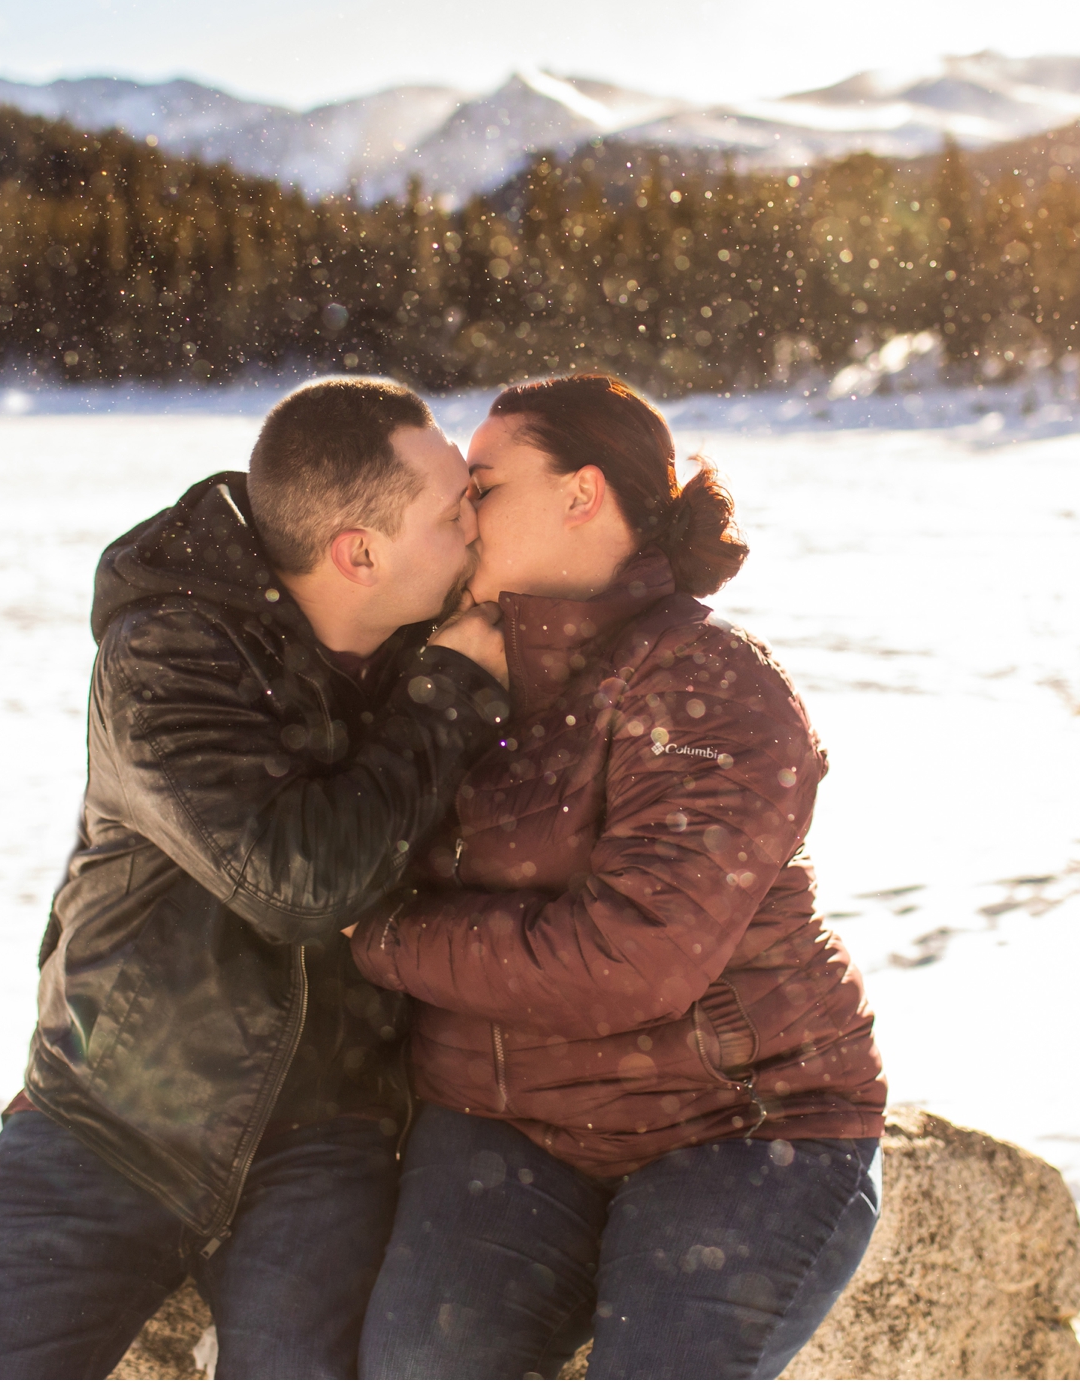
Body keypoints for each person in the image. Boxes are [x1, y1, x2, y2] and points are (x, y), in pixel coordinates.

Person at [0, 377, 512, 1379]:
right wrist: (450, 696)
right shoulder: (171, 649)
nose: (479, 526)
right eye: (458, 508)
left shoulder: (431, 628)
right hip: (113, 1112)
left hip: (331, 1129)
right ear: (357, 552)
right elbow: (298, 882)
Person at [349, 373, 887, 1380]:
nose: (458, 513)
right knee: (421, 1364)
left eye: (483, 484)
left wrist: (378, 937)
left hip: (739, 1122)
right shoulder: (454, 663)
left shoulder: (707, 681)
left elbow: (628, 958)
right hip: (506, 1122)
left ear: (581, 493)